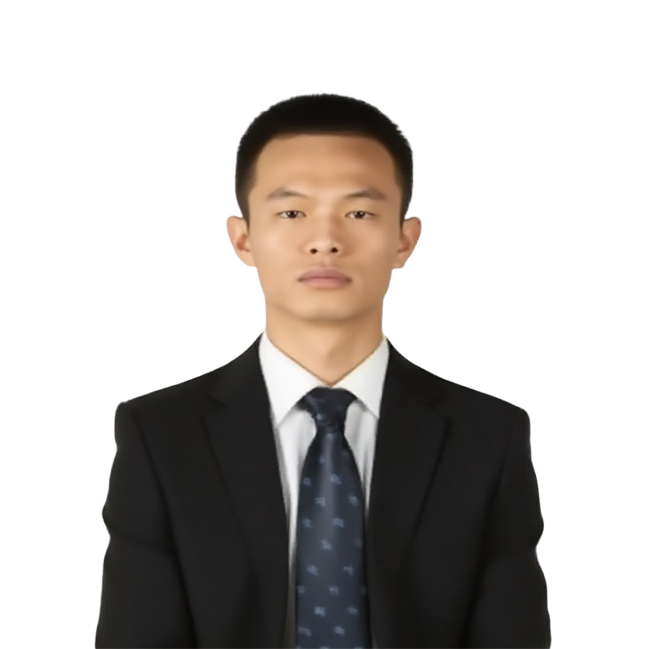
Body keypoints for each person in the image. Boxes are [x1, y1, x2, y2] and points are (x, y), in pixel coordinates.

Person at [94, 93, 551, 649]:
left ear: (404, 238)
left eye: (359, 213)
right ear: (243, 238)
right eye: (292, 212)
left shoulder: (486, 435)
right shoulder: (163, 434)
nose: (326, 240)